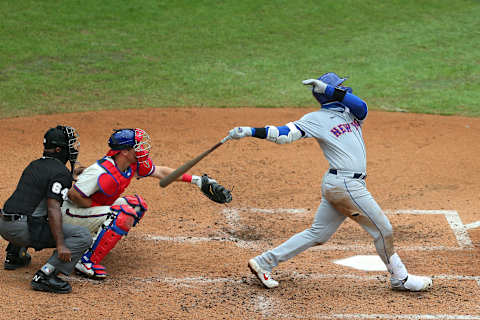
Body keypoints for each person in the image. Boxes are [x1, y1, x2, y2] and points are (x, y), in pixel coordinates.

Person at [226, 72, 433, 292]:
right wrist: (250, 131)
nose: (346, 89)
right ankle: (400, 278)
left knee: (318, 234)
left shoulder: (352, 113)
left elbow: (361, 105)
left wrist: (328, 89)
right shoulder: (315, 119)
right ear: (330, 93)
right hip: (345, 185)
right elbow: (282, 134)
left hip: (342, 185)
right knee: (384, 229)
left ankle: (264, 262)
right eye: (340, 87)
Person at [62, 128, 231, 279]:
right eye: (137, 146)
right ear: (125, 151)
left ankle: (90, 241)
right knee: (122, 213)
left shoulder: (131, 165)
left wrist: (197, 181)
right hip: (70, 215)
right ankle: (86, 262)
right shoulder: (100, 171)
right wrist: (98, 210)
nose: (142, 149)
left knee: (137, 205)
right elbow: (74, 195)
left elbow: (160, 171)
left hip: (86, 212)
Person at [0, 125, 92, 294]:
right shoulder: (60, 173)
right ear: (59, 149)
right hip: (21, 229)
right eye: (70, 146)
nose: (73, 149)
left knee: (31, 206)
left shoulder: (34, 164)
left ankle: (15, 255)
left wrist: (70, 177)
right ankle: (46, 275)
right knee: (82, 235)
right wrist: (61, 244)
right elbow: (52, 208)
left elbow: (42, 186)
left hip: (4, 224)